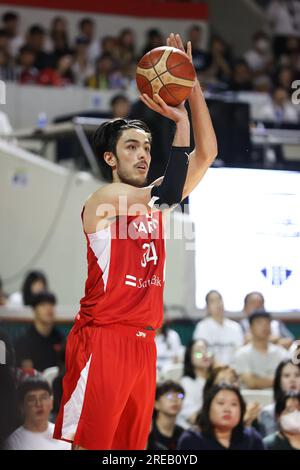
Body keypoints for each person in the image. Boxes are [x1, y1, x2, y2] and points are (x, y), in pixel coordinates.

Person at [54, 32, 217, 450]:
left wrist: (191, 86)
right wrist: (178, 123)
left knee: (129, 453)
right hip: (104, 339)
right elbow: (163, 193)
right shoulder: (104, 200)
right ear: (111, 159)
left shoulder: (152, 203)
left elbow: (207, 154)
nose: (143, 155)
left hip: (144, 345)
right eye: (132, 147)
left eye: (146, 146)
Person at [177, 384, 265, 450]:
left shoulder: (252, 438)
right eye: (221, 403)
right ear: (208, 408)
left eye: (234, 404)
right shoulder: (191, 440)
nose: (227, 409)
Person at [5, 376, 70, 450]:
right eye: (32, 399)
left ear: (51, 403)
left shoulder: (63, 436)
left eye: (43, 397)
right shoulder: (12, 443)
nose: (39, 404)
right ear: (21, 407)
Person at [233, 310, 288, 389]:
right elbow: (251, 382)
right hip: (250, 398)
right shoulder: (242, 354)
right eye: (259, 323)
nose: (264, 327)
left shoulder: (281, 352)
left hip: (277, 398)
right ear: (250, 328)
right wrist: (279, 381)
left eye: (267, 323)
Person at [15, 291, 64, 372]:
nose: (49, 308)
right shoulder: (24, 340)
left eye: (51, 304)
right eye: (43, 305)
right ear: (34, 310)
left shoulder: (60, 339)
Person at [193, 290, 244, 365]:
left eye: (219, 300)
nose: (218, 304)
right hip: (211, 371)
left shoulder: (235, 327)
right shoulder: (202, 327)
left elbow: (240, 352)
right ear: (207, 308)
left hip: (233, 370)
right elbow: (198, 354)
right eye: (213, 301)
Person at [178, 339, 214, 428]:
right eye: (198, 352)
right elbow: (192, 417)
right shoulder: (185, 383)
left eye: (206, 350)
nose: (204, 354)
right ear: (189, 357)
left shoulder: (216, 381)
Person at [259, 360, 300, 436]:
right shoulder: (268, 412)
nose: (292, 380)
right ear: (279, 381)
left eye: (297, 375)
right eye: (287, 376)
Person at [147, 381, 185, 450]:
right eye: (169, 396)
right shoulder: (148, 431)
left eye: (180, 396)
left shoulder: (184, 435)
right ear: (156, 404)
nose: (175, 400)